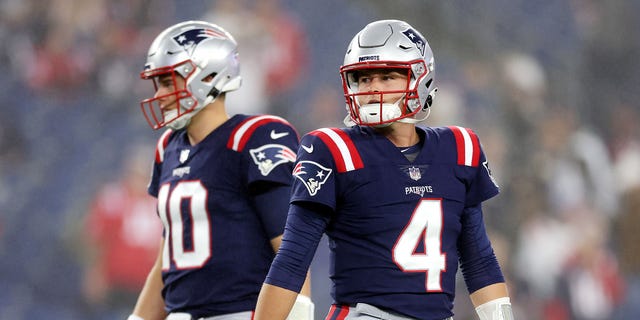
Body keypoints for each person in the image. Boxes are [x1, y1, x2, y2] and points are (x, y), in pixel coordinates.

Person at [255, 19, 513, 320]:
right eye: (363, 79)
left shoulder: (459, 148)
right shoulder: (332, 149)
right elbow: (292, 261)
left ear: (420, 79)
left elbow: (479, 260)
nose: (372, 87)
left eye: (387, 77)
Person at [128, 20, 312, 320]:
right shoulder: (168, 147)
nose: (159, 94)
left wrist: (300, 312)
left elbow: (291, 250)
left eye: (166, 81)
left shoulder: (252, 138)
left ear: (208, 75)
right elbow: (168, 259)